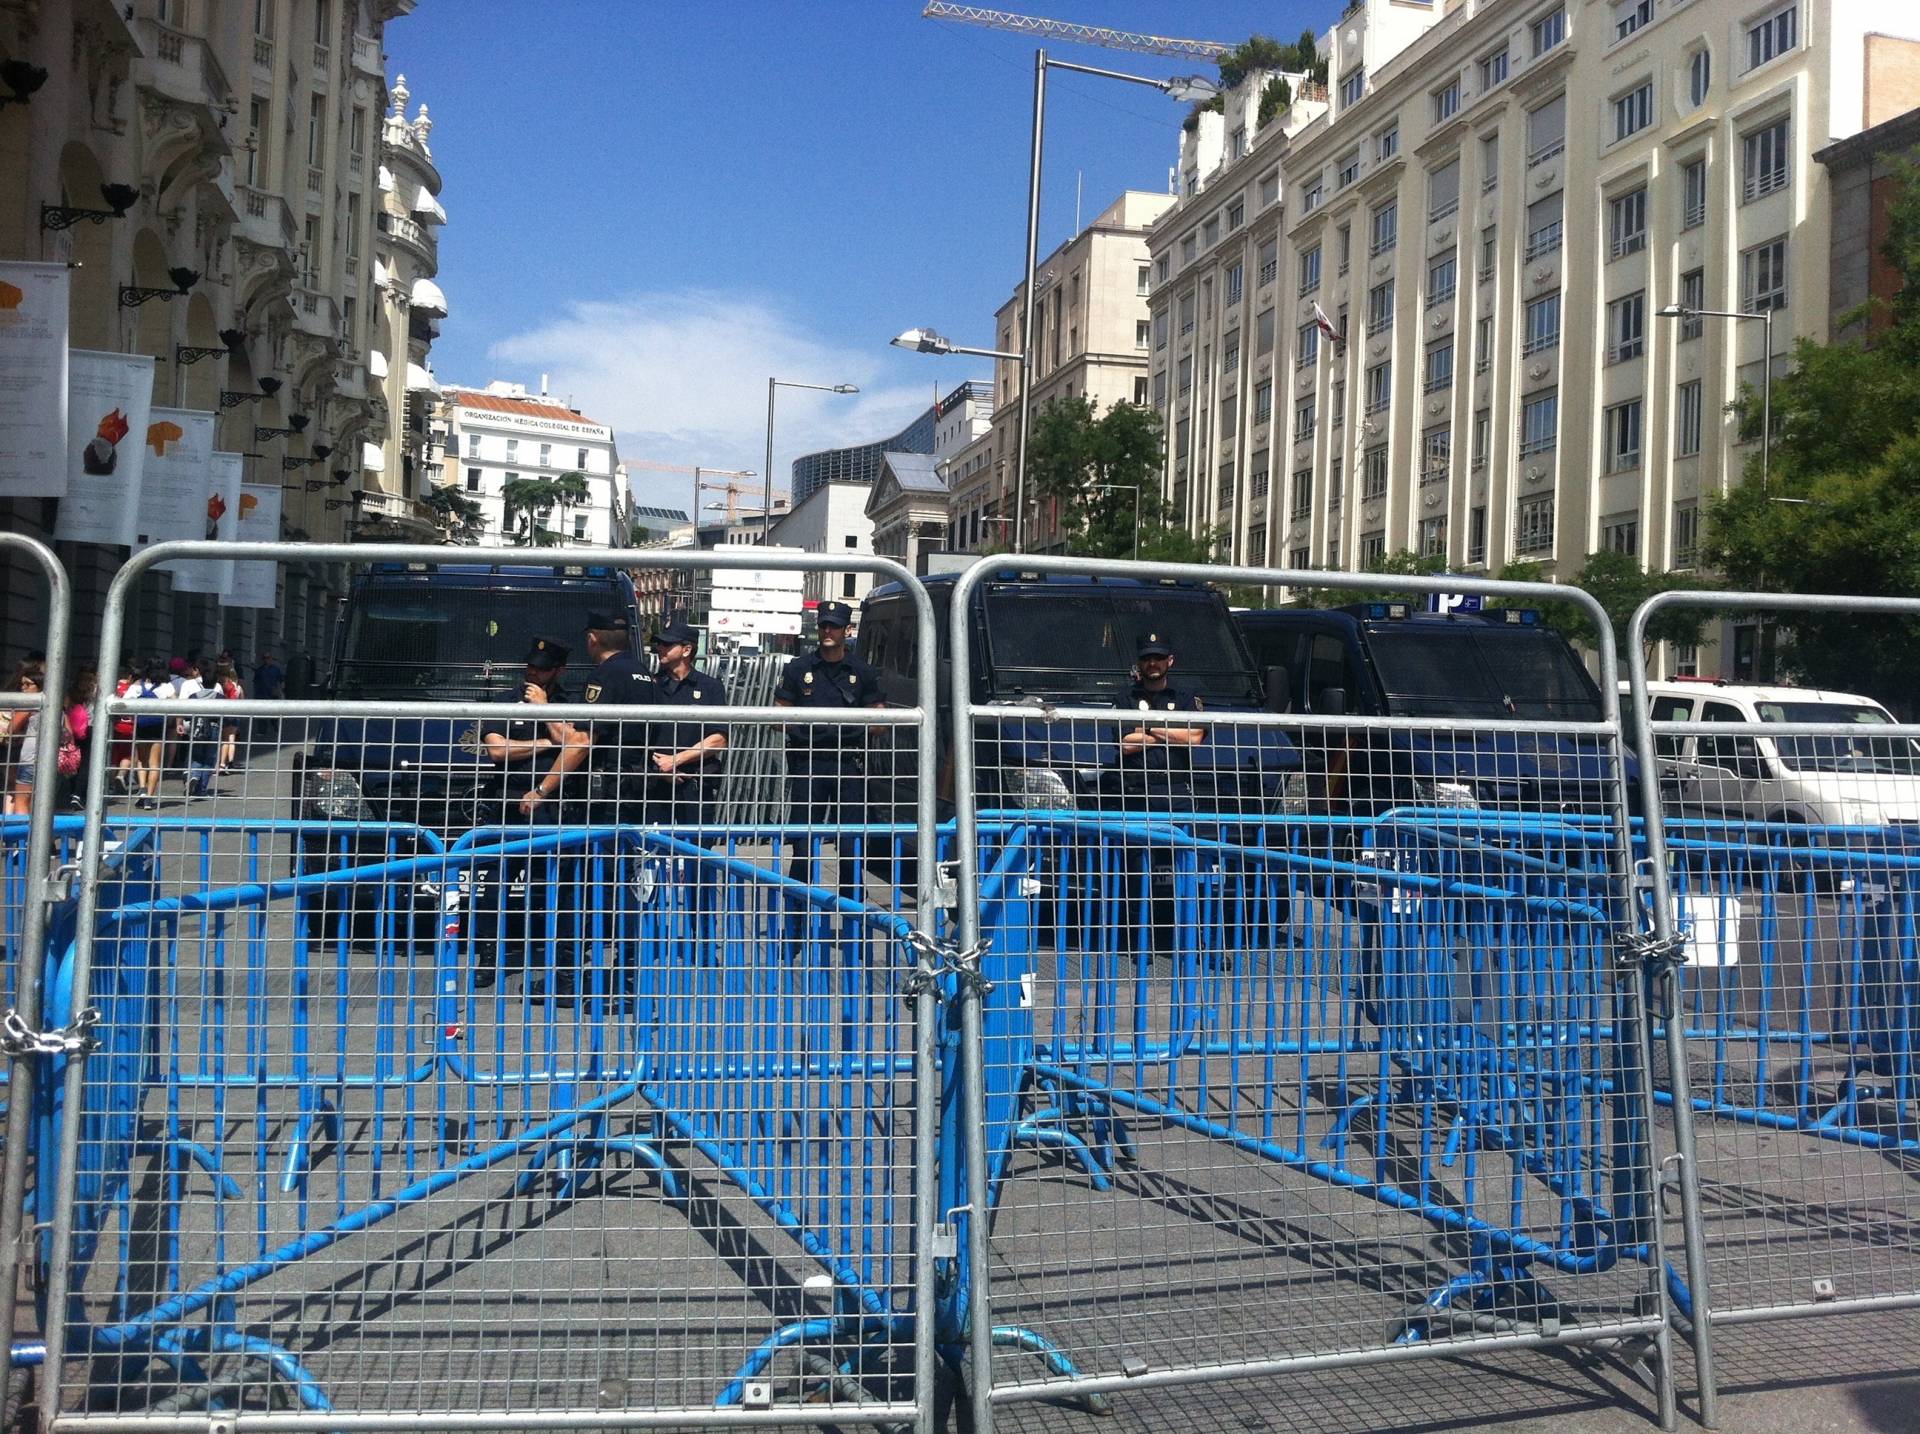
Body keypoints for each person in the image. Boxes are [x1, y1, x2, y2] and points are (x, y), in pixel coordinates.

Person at [473, 637, 585, 991]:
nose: (534, 674)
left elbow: (575, 743)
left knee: (557, 884)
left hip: (552, 807)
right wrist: (546, 744)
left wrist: (545, 709)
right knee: (497, 882)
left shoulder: (570, 703)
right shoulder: (506, 701)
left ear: (559, 671)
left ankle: (561, 961)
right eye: (531, 667)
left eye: (543, 669)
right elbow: (498, 751)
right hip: (507, 805)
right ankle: (490, 956)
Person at [773, 601, 887, 894]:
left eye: (834, 626)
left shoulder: (861, 671)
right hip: (808, 762)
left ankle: (852, 927)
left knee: (851, 846)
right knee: (803, 845)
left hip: (848, 763)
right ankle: (798, 925)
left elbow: (881, 719)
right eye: (823, 625)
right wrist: (806, 726)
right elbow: (777, 715)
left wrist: (850, 726)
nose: (827, 631)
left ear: (846, 630)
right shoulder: (799, 669)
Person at [633, 619, 728, 832]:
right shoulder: (650, 685)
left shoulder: (710, 687)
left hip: (695, 782)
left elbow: (719, 739)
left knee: (698, 849)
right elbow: (637, 735)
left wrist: (675, 760)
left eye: (667, 644)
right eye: (659, 644)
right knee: (652, 850)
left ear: (686, 650)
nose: (660, 648)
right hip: (656, 782)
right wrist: (660, 767)